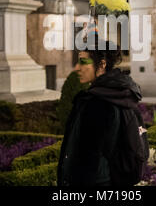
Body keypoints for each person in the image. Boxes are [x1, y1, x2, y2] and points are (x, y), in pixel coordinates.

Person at [57, 35, 143, 187]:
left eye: (83, 61)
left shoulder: (96, 102)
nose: (77, 67)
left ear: (102, 64)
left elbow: (87, 158)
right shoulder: (120, 93)